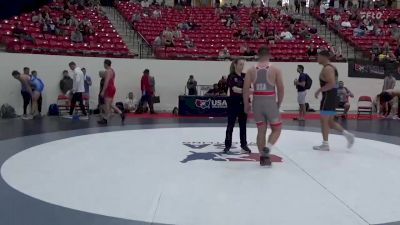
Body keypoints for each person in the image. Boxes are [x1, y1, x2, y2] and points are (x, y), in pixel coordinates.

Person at [243, 47, 284, 167]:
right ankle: (268, 147)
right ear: (269, 55)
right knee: (277, 128)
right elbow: (281, 88)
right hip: (270, 101)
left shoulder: (251, 70)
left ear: (258, 55)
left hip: (257, 102)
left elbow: (245, 90)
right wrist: (279, 103)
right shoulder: (275, 69)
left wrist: (246, 104)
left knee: (261, 130)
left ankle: (263, 157)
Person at [313, 50, 355, 151]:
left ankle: (325, 144)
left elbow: (331, 83)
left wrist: (319, 90)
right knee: (330, 122)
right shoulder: (332, 67)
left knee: (324, 121)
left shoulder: (327, 69)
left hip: (328, 97)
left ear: (324, 57)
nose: (317, 58)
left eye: (318, 56)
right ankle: (348, 135)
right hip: (332, 96)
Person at [223, 59, 251, 154]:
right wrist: (245, 90)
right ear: (235, 65)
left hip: (243, 104)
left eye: (243, 64)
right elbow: (235, 89)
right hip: (233, 104)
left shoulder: (245, 76)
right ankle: (227, 145)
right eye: (240, 64)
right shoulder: (231, 77)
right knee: (230, 125)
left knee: (243, 126)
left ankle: (244, 145)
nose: (242, 66)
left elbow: (250, 89)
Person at [98, 59, 125, 124]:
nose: (103, 65)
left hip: (109, 88)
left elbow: (106, 82)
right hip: (112, 88)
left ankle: (105, 119)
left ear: (106, 64)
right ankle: (121, 113)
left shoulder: (108, 71)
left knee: (107, 105)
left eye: (104, 64)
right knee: (110, 104)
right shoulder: (112, 70)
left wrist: (103, 91)